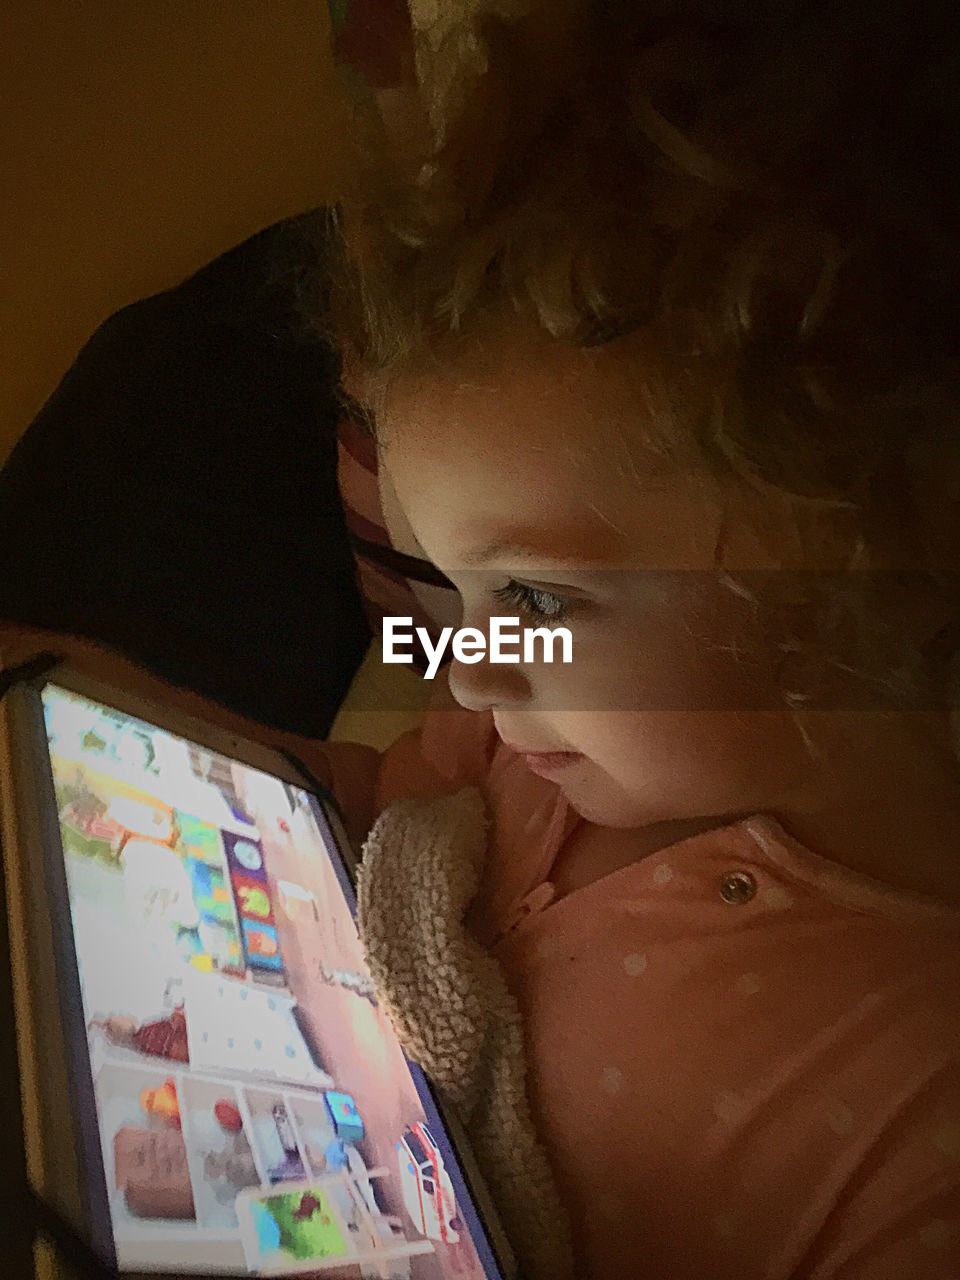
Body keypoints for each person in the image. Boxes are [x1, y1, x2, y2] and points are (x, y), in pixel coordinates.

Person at [299, 1, 960, 1276]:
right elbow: (386, 793)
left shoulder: (915, 1098)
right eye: (450, 589)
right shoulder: (550, 749)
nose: (475, 670)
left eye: (536, 600)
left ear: (860, 565)